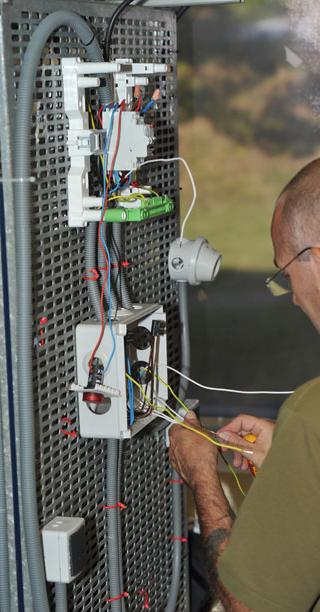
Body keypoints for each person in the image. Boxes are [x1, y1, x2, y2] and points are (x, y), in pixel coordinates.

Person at [169, 158, 320, 612]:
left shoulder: (311, 414)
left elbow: (249, 607)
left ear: (314, 259)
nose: (292, 295)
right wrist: (297, 458)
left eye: (285, 271)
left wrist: (201, 478)